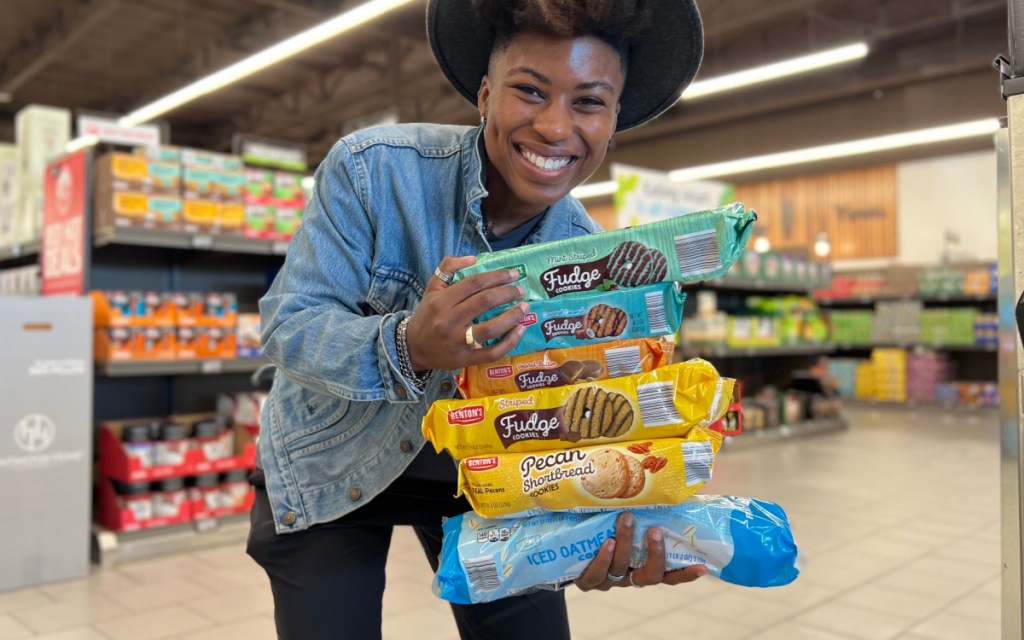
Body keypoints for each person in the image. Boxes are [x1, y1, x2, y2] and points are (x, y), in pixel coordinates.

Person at [247, 1, 708, 638]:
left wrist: (613, 524)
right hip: (333, 461)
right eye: (530, 91)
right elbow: (287, 323)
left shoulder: (597, 265)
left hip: (489, 484)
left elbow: (574, 425)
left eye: (588, 101)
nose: (554, 126)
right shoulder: (374, 169)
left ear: (613, 118)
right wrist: (409, 345)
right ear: (485, 94)